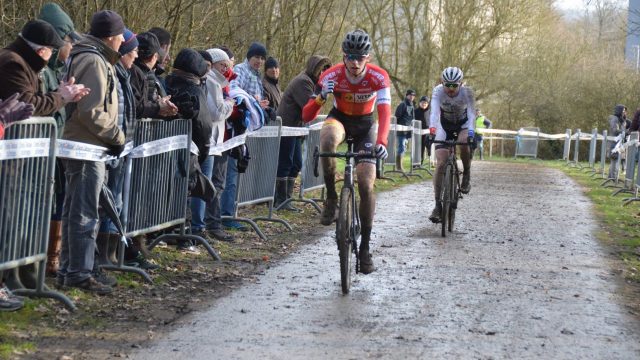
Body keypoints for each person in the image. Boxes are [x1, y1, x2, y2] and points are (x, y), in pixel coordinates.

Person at [301, 29, 391, 274]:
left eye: (360, 57)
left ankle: (365, 248)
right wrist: (321, 97)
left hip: (365, 127)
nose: (354, 62)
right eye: (350, 57)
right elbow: (306, 115)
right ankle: (331, 197)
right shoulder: (331, 75)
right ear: (343, 55)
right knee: (328, 139)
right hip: (339, 119)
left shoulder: (378, 77)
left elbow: (384, 114)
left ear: (368, 57)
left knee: (365, 182)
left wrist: (382, 142)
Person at [58, 10, 127, 294]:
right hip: (87, 148)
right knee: (85, 212)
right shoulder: (95, 61)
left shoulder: (87, 56)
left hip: (84, 145)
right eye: (120, 34)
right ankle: (79, 272)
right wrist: (117, 136)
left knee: (76, 209)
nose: (123, 40)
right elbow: (91, 111)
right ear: (110, 36)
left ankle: (69, 270)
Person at [38, 2, 81, 277]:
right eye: (68, 41)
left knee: (57, 201)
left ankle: (50, 258)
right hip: (37, 152)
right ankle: (33, 263)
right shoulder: (39, 70)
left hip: (55, 149)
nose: (71, 48)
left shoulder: (56, 70)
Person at [165, 48, 213, 252]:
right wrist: (203, 151)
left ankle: (171, 234)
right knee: (182, 191)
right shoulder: (195, 92)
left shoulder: (165, 83)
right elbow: (204, 127)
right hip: (188, 154)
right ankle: (182, 237)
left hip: (168, 153)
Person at [222, 42, 269, 231]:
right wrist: (251, 101)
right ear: (249, 56)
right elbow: (235, 94)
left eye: (262, 58)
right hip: (233, 128)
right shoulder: (240, 70)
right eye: (256, 57)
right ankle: (224, 215)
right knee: (229, 173)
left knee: (234, 172)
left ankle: (228, 212)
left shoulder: (257, 75)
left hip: (244, 129)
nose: (259, 61)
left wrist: (261, 106)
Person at [276, 55, 331, 211]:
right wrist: (321, 95)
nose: (324, 74)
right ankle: (280, 200)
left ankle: (287, 198)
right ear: (315, 69)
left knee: (296, 164)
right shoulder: (303, 82)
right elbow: (310, 108)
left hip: (296, 128)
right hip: (287, 127)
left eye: (327, 71)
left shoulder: (310, 82)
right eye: (322, 70)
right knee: (286, 163)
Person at [428, 66, 476, 223]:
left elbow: (471, 115)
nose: (450, 88)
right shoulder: (437, 91)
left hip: (462, 124)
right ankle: (437, 206)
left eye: (454, 85)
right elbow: (434, 112)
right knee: (441, 162)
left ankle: (466, 174)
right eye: (446, 84)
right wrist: (432, 131)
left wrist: (470, 134)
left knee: (463, 143)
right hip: (444, 125)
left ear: (461, 84)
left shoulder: (467, 93)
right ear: (442, 83)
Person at [201, 48, 235, 242]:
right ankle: (207, 224)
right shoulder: (212, 82)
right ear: (212, 65)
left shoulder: (217, 81)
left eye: (228, 66)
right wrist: (231, 103)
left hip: (215, 140)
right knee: (210, 183)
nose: (226, 69)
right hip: (210, 140)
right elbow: (217, 112)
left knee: (213, 183)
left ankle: (208, 223)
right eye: (223, 65)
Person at [129, 32, 177, 120]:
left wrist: (161, 107)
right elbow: (135, 106)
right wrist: (158, 106)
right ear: (153, 57)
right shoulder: (136, 73)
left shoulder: (137, 71)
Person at [394, 89, 416, 172]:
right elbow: (397, 117)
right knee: (401, 147)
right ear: (407, 95)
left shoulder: (412, 106)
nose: (412, 97)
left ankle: (400, 166)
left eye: (413, 96)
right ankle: (398, 167)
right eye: (410, 95)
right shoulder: (402, 105)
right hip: (401, 131)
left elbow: (412, 118)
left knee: (404, 148)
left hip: (408, 131)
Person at [608, 104, 627, 179]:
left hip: (618, 143)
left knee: (615, 161)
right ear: (619, 110)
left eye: (625, 111)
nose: (624, 112)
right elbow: (614, 130)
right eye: (623, 110)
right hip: (614, 143)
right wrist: (624, 132)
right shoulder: (615, 119)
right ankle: (614, 179)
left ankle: (610, 178)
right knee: (614, 160)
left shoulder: (621, 119)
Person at [262, 56, 281, 124]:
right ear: (266, 70)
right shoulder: (264, 85)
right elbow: (263, 105)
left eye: (276, 67)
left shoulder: (276, 85)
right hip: (270, 126)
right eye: (271, 67)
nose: (274, 70)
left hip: (277, 125)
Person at [414, 95, 430, 165]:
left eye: (426, 103)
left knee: (426, 145)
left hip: (427, 132)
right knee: (418, 147)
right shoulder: (415, 111)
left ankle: (421, 161)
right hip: (417, 132)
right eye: (423, 103)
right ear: (420, 103)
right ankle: (416, 163)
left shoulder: (430, 112)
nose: (424, 104)